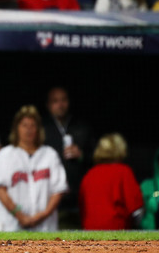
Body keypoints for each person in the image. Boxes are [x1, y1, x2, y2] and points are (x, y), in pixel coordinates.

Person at [0, 105, 68, 231]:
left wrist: (41, 216)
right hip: (11, 225)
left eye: (33, 125)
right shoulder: (5, 154)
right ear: (17, 128)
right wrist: (20, 215)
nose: (29, 130)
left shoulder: (50, 154)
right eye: (24, 125)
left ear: (38, 129)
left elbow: (58, 190)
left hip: (44, 225)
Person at [42, 86, 94, 228]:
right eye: (55, 101)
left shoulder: (81, 126)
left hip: (78, 193)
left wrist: (82, 155)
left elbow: (95, 157)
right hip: (50, 195)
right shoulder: (41, 129)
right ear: (48, 105)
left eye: (63, 100)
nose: (60, 104)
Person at [78, 133, 144, 230]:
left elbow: (82, 208)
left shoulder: (89, 174)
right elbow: (137, 210)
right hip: (117, 230)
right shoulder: (123, 171)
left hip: (90, 231)